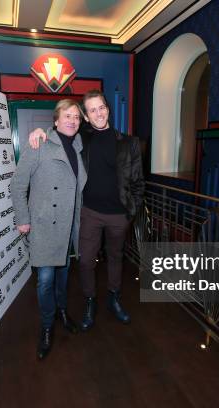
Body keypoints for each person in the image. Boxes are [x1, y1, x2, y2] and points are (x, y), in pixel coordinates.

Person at [28, 90, 144, 331]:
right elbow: (60, 132)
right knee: (85, 262)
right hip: (89, 212)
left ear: (108, 109)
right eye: (92, 110)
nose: (98, 113)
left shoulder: (130, 143)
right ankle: (90, 302)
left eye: (101, 107)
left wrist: (130, 213)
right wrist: (41, 132)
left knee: (115, 258)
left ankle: (114, 298)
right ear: (87, 117)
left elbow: (138, 183)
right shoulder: (83, 139)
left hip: (118, 215)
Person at [11, 99, 87, 360]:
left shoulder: (79, 147)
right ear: (55, 120)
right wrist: (23, 218)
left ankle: (63, 311)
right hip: (44, 224)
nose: (72, 120)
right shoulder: (39, 144)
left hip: (67, 226)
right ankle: (46, 326)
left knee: (64, 274)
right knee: (45, 281)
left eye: (76, 117)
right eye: (67, 116)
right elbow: (17, 185)